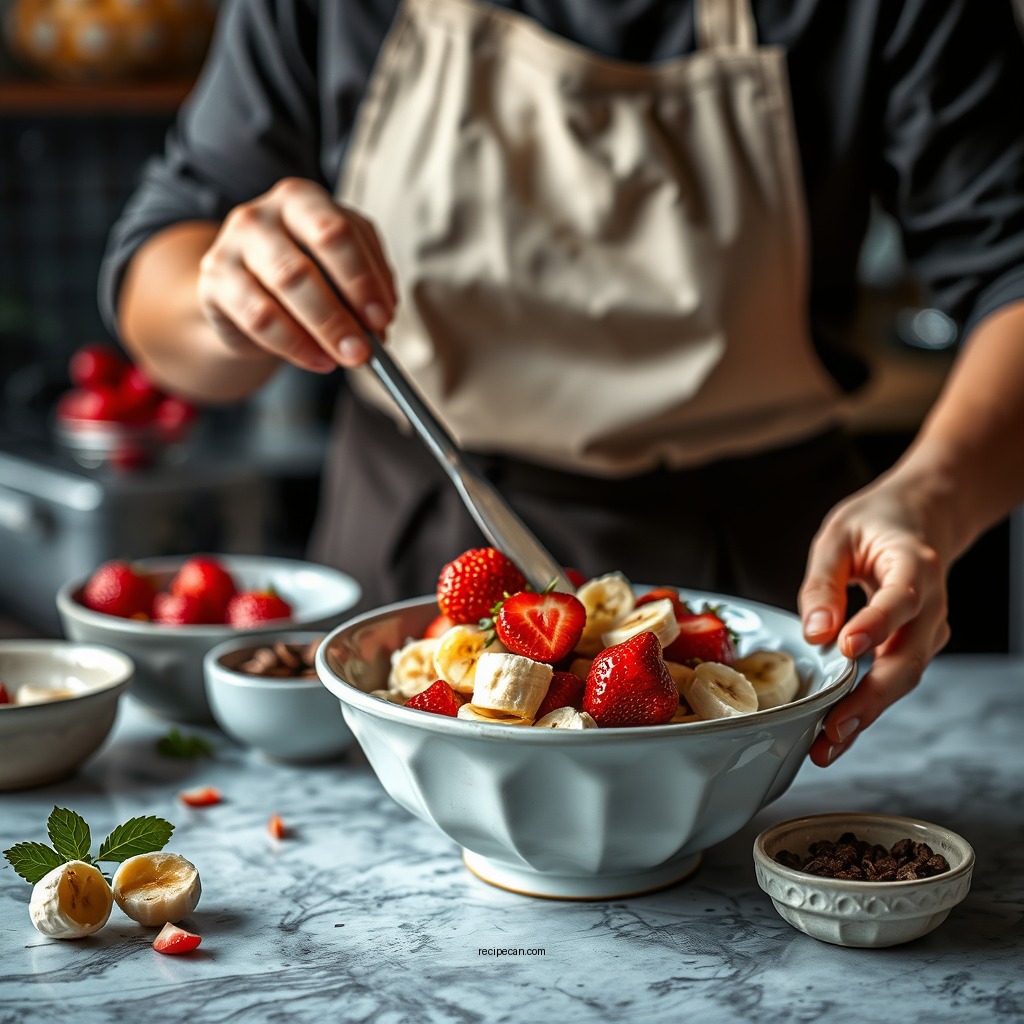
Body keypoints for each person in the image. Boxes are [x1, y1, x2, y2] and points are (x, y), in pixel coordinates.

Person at [100, 0, 1024, 766]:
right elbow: (163, 269)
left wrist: (933, 493)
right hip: (414, 566)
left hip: (755, 583)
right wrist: (229, 299)